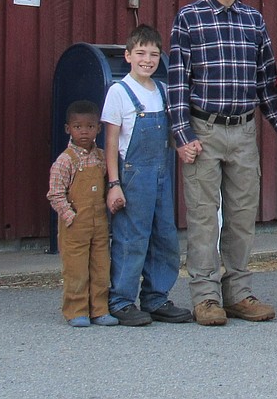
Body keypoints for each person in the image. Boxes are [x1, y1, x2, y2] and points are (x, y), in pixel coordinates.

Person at [167, 0, 277, 327]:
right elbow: (176, 83)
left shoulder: (254, 21)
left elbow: (266, 83)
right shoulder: (189, 18)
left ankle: (237, 292)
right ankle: (205, 296)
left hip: (243, 131)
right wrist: (182, 134)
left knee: (240, 217)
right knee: (203, 218)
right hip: (203, 130)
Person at [103, 25, 191, 326]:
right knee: (132, 238)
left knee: (164, 236)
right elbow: (112, 142)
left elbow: (171, 134)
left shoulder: (163, 91)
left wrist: (182, 148)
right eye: (140, 53)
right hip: (133, 176)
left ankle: (156, 298)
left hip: (162, 174)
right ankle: (121, 300)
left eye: (154, 54)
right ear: (128, 56)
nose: (147, 59)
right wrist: (114, 184)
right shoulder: (119, 92)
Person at [47, 100, 118, 327]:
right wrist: (70, 217)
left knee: (100, 267)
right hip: (75, 225)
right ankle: (76, 310)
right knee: (76, 270)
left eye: (89, 126)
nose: (84, 131)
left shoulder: (101, 157)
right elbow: (55, 194)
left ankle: (99, 309)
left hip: (99, 223)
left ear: (98, 128)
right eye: (78, 127)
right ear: (68, 129)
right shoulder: (65, 161)